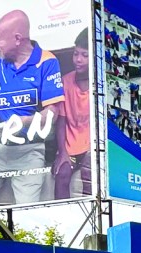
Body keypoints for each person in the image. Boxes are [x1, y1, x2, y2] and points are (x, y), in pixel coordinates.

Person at [0, 10, 64, 209]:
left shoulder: (47, 61)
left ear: (18, 39)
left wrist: (23, 122)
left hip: (28, 151)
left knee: (27, 214)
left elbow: (53, 113)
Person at [54, 28, 91, 199]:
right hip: (71, 147)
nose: (78, 59)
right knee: (62, 174)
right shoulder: (66, 81)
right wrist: (63, 152)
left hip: (91, 147)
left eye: (85, 55)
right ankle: (61, 215)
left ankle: (92, 212)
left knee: (89, 174)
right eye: (76, 54)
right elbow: (61, 121)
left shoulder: (99, 84)